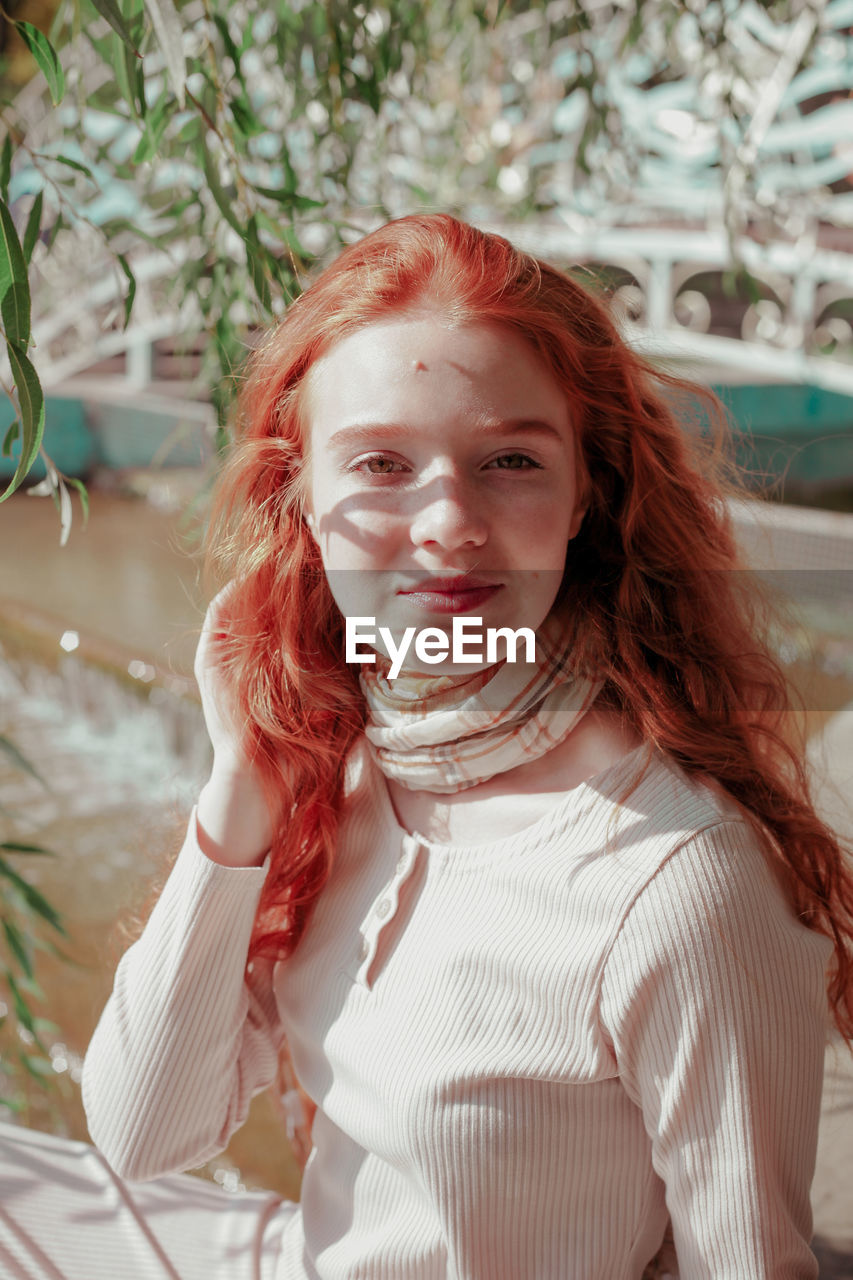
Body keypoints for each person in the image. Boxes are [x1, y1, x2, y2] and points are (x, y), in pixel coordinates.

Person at [1, 213, 852, 1280]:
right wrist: (237, 798)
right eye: (381, 464)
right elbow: (147, 1134)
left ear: (586, 489)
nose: (447, 521)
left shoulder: (674, 879)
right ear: (300, 496)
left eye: (508, 458)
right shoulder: (344, 762)